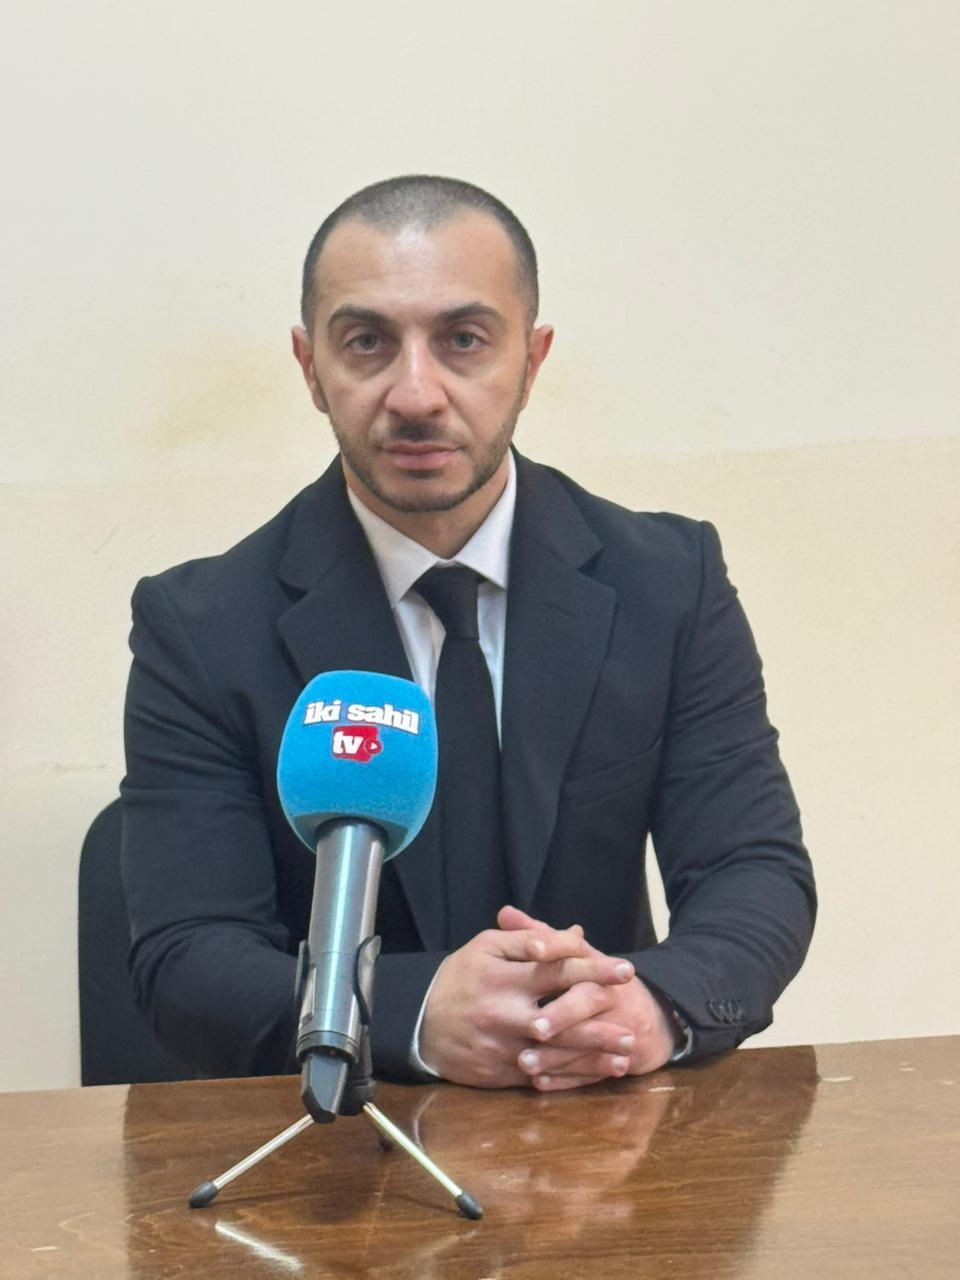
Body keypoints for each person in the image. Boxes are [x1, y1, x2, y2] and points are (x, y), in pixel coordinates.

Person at [120, 175, 815, 1092]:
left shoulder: (667, 582)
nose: (416, 394)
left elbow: (753, 872)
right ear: (309, 367)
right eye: (367, 342)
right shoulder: (201, 627)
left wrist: (651, 1007)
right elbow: (188, 958)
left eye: (464, 340)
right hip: (341, 1135)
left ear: (531, 360)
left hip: (604, 1122)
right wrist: (407, 1012)